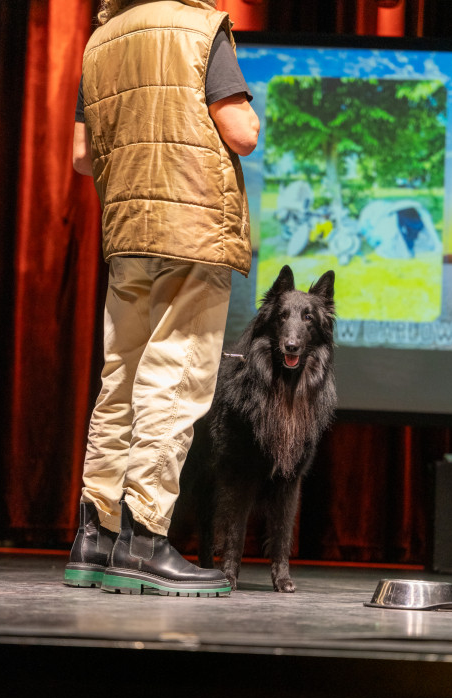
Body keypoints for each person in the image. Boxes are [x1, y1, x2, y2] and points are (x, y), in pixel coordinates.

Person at [64, 0, 259, 597]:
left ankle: (96, 533)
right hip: (193, 230)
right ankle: (145, 540)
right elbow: (242, 133)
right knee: (173, 378)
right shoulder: (203, 30)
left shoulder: (100, 41)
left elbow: (79, 157)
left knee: (120, 376)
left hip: (128, 231)